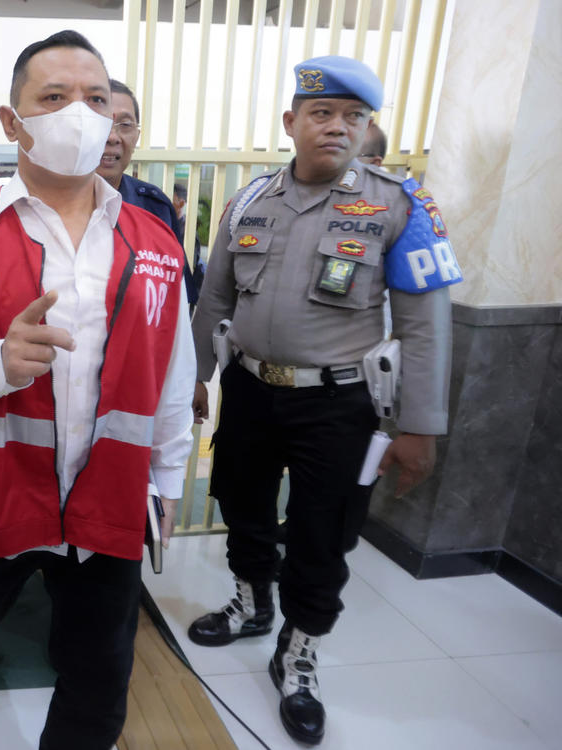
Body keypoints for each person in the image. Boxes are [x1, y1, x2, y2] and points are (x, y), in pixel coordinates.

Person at [0, 30, 195, 749]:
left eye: (95, 98)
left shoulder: (156, 245)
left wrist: (167, 479)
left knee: (100, 668)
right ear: (12, 121)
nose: (78, 114)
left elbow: (174, 376)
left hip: (110, 498)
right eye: (53, 98)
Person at [189, 56, 461, 745]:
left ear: (367, 126)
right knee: (240, 503)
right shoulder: (249, 201)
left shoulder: (402, 206)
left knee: (323, 532)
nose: (338, 127)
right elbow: (215, 298)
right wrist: (191, 377)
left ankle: (299, 649)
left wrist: (420, 427)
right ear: (292, 123)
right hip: (250, 388)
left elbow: (427, 325)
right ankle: (252, 601)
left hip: (340, 405)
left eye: (353, 116)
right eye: (322, 113)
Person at [95, 79, 198, 306]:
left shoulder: (155, 207)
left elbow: (179, 296)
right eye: (101, 123)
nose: (112, 137)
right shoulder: (47, 204)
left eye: (125, 125)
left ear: (137, 136)